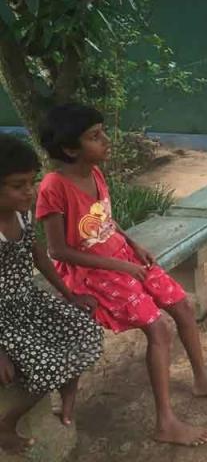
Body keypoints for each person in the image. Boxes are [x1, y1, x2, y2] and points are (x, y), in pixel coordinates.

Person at [35, 104, 207, 447]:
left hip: (121, 257)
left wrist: (133, 244)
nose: (106, 140)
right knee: (158, 328)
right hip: (89, 272)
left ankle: (201, 379)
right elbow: (58, 251)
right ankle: (165, 422)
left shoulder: (94, 173)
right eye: (95, 136)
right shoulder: (53, 187)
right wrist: (122, 267)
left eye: (102, 132)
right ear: (70, 149)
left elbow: (105, 220)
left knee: (182, 306)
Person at [0, 134, 103, 454]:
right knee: (47, 364)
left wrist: (69, 295)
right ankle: (5, 425)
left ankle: (68, 393)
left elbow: (40, 257)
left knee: (85, 329)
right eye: (18, 185)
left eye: (32, 182)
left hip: (28, 302)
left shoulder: (22, 214)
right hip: (3, 320)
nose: (29, 191)